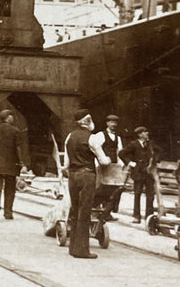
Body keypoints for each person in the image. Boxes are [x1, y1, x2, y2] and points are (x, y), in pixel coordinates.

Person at [64, 109, 110, 259]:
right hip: (87, 176)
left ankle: (73, 248)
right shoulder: (92, 138)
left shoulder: (69, 137)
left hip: (73, 176)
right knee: (84, 212)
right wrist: (108, 159)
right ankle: (82, 250)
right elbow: (102, 160)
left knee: (75, 210)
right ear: (88, 121)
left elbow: (66, 163)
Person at [0, 109, 24, 222]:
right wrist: (21, 162)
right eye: (11, 116)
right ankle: (8, 212)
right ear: (7, 118)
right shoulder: (15, 131)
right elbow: (18, 148)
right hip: (11, 165)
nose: (12, 117)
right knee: (10, 189)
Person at [119, 126, 162, 224]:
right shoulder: (133, 144)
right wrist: (130, 163)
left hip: (148, 173)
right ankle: (136, 216)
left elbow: (160, 151)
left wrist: (155, 160)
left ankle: (148, 217)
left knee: (150, 195)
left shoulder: (150, 144)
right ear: (140, 135)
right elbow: (121, 153)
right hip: (138, 173)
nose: (147, 133)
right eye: (145, 132)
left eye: (147, 132)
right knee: (137, 194)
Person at [92, 114, 124, 221]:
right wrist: (99, 162)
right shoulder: (100, 135)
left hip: (113, 167)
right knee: (100, 189)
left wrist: (120, 164)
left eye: (115, 123)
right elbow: (95, 149)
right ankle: (95, 211)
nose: (113, 124)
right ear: (107, 123)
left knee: (112, 191)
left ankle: (107, 213)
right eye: (111, 122)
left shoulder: (118, 138)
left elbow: (119, 152)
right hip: (102, 167)